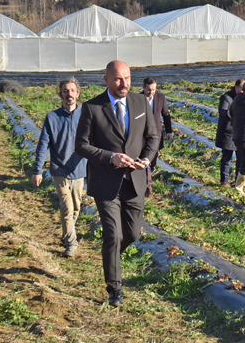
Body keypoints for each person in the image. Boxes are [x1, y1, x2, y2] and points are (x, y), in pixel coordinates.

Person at [75, 60, 159, 307]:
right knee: (113, 234)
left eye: (128, 78)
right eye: (119, 79)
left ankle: (110, 259)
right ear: (107, 80)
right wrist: (110, 157)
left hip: (135, 180)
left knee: (131, 234)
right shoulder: (92, 108)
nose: (125, 84)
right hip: (106, 181)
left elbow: (153, 136)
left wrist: (146, 158)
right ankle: (115, 289)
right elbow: (81, 145)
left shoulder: (140, 102)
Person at [31, 77, 88, 257]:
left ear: (77, 94)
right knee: (66, 208)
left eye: (72, 91)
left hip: (79, 169)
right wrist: (37, 170)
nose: (69, 94)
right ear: (60, 94)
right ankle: (71, 243)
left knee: (76, 207)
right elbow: (43, 145)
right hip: (60, 169)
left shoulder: (87, 116)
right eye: (65, 91)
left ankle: (66, 234)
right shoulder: (52, 117)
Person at [215, 79, 245, 186]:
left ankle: (238, 180)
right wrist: (229, 113)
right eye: (242, 89)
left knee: (241, 158)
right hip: (229, 132)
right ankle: (224, 181)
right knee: (227, 157)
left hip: (241, 133)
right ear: (236, 87)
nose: (243, 91)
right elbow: (223, 111)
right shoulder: (226, 97)